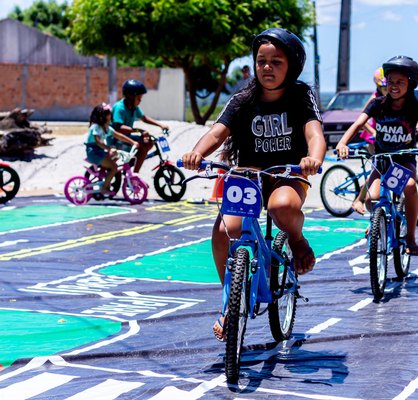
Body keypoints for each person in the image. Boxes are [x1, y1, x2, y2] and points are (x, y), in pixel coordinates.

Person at [180, 28, 326, 340]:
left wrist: (313, 158)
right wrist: (196, 152)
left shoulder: (301, 96)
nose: (267, 67)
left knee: (282, 207)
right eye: (262, 61)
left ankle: (297, 241)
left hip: (287, 173)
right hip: (247, 175)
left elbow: (314, 133)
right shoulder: (242, 100)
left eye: (276, 61)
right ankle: (229, 304)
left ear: (293, 66)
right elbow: (218, 132)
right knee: (223, 231)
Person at [336, 55, 418, 256]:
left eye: (400, 82)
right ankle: (381, 220)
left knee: (410, 186)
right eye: (390, 82)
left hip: (403, 161)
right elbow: (357, 124)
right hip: (381, 161)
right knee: (371, 198)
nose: (394, 86)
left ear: (411, 84)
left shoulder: (415, 107)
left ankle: (411, 238)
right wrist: (342, 142)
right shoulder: (377, 104)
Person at [352, 67, 389, 215]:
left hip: (386, 139)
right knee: (378, 170)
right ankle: (359, 200)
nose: (387, 90)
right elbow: (362, 120)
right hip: (373, 139)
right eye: (384, 87)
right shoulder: (374, 99)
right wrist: (374, 132)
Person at [111, 79, 170, 172]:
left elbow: (144, 118)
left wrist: (160, 125)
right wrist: (139, 131)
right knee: (143, 144)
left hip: (126, 136)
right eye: (139, 98)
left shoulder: (133, 107)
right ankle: (135, 172)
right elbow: (119, 128)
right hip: (116, 139)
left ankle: (133, 163)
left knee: (149, 141)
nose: (140, 100)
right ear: (130, 96)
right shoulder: (120, 108)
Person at [85, 103, 138, 195]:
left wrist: (132, 142)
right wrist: (108, 148)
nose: (111, 116)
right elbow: (97, 141)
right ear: (102, 117)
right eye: (108, 114)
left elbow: (119, 136)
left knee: (116, 155)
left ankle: (103, 170)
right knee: (114, 168)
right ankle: (104, 187)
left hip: (99, 151)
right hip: (94, 152)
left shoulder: (106, 128)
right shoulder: (96, 127)